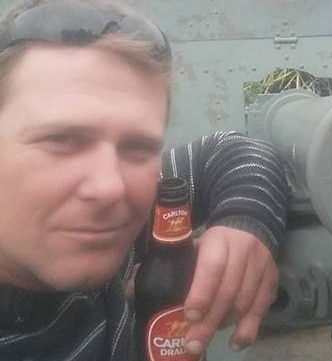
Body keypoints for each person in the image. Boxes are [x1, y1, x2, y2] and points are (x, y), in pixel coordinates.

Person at [0, 0, 288, 360]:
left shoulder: (119, 234)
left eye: (137, 147)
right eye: (63, 140)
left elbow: (228, 151)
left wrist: (244, 227)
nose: (111, 188)